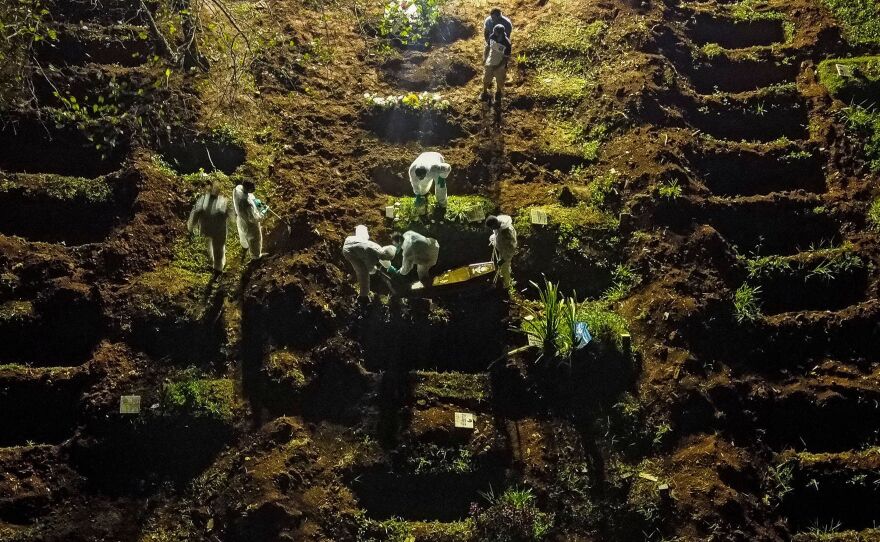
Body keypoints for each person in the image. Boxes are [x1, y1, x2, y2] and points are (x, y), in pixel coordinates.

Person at [342, 225, 397, 303]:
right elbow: (369, 269)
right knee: (363, 273)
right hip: (349, 251)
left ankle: (361, 227)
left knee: (364, 239)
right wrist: (375, 270)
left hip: (351, 240)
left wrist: (389, 267)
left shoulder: (378, 248)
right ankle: (363, 296)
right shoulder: (372, 258)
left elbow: (383, 257)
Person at [187, 180, 232, 274]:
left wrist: (191, 227)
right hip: (215, 229)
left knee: (216, 247)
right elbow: (195, 214)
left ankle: (217, 266)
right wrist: (191, 227)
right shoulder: (207, 200)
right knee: (217, 248)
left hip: (213, 229)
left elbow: (195, 215)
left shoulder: (208, 200)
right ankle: (218, 266)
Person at [233, 180, 267, 259]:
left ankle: (245, 246)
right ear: (247, 188)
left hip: (240, 219)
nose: (254, 190)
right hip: (250, 224)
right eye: (252, 188)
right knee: (254, 239)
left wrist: (255, 200)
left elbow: (249, 195)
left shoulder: (237, 189)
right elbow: (254, 219)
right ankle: (256, 256)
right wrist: (263, 212)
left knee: (243, 234)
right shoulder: (247, 203)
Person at [482, 23, 511, 104]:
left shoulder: (507, 43)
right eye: (494, 31)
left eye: (495, 32)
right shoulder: (492, 36)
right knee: (486, 77)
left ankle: (498, 93)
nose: (494, 33)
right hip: (492, 57)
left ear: (501, 33)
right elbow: (488, 47)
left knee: (500, 79)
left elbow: (505, 58)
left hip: (501, 62)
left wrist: (497, 66)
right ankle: (484, 92)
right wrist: (485, 57)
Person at [485, 214, 517, 287]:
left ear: (495, 224)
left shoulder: (506, 232)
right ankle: (508, 274)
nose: (491, 229)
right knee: (504, 265)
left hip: (507, 251)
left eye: (491, 227)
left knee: (504, 267)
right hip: (502, 248)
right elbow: (497, 234)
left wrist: (503, 259)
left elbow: (511, 248)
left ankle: (507, 285)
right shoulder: (498, 226)